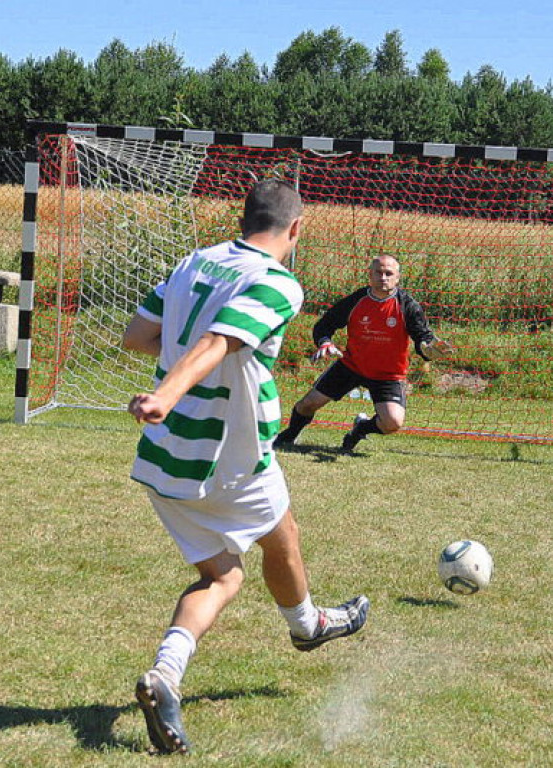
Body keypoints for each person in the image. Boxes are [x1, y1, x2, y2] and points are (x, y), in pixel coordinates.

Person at [121, 179, 369, 755]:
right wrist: (171, 392)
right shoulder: (278, 282)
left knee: (223, 576)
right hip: (228, 457)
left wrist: (171, 382)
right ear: (296, 229)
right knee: (283, 540)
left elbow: (138, 335)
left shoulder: (194, 262)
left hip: (165, 462)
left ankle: (165, 675)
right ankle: (308, 627)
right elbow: (218, 340)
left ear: (243, 217)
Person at [274, 254, 453, 453]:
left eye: (389, 273)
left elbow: (423, 336)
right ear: (370, 275)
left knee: (392, 422)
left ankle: (360, 428)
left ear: (398, 278)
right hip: (352, 365)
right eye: (379, 272)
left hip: (388, 374)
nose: (383, 277)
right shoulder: (356, 300)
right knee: (307, 404)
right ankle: (288, 436)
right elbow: (324, 325)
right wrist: (324, 343)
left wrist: (427, 349)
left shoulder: (407, 306)